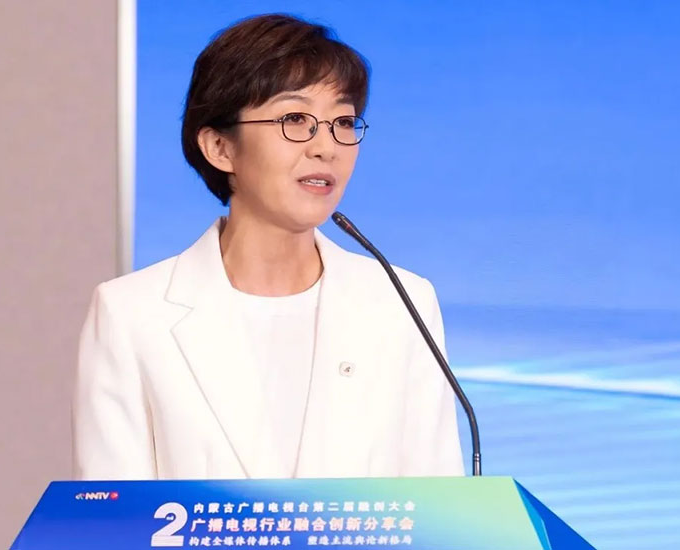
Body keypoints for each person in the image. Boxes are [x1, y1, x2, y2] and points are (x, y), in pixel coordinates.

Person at [72, 14, 464, 480]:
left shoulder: (402, 302)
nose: (327, 147)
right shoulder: (132, 314)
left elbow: (438, 505)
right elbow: (111, 514)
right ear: (220, 147)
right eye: (295, 119)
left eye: (342, 122)